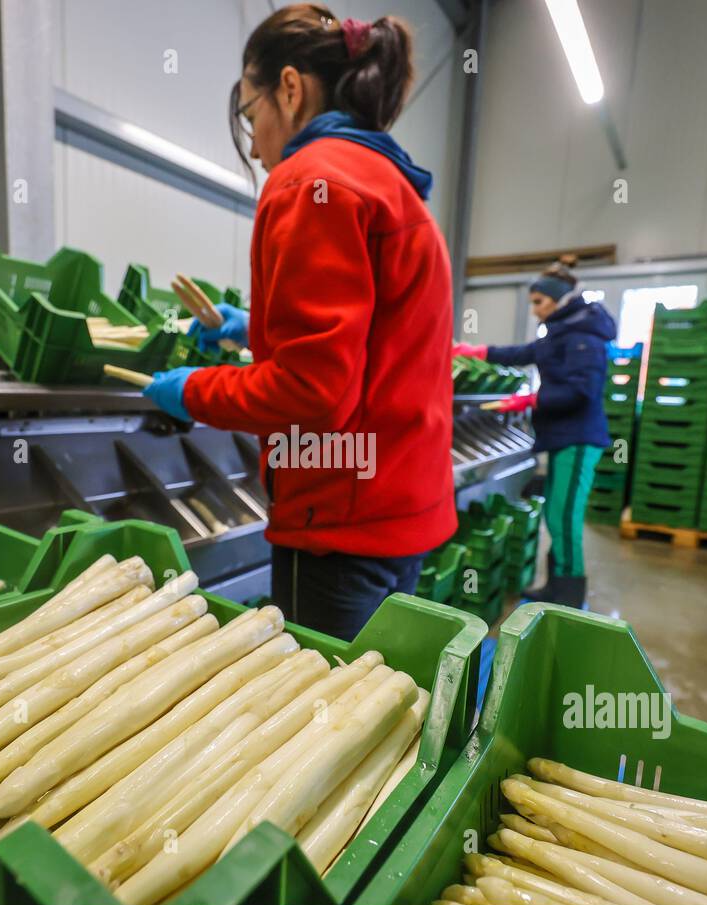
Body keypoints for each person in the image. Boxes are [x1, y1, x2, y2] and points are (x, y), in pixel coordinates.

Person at [142, 5, 456, 641]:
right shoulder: (387, 181)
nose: (255, 146)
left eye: (251, 114)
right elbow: (369, 345)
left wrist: (193, 391)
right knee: (383, 715)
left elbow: (313, 392)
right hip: (398, 514)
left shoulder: (310, 182)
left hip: (337, 531)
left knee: (325, 718)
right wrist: (249, 328)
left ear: (290, 87)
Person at [453, 263, 615, 608]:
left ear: (556, 300)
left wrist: (529, 400)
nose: (535, 308)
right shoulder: (564, 329)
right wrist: (479, 353)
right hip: (562, 439)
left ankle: (570, 599)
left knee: (564, 517)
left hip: (578, 439)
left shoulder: (583, 336)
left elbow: (582, 391)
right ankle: (554, 589)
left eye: (539, 301)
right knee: (555, 515)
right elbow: (526, 354)